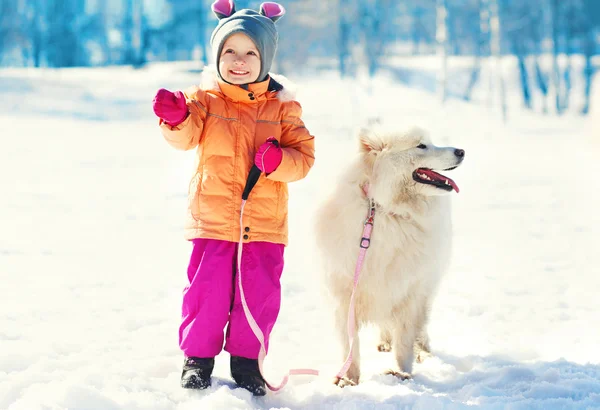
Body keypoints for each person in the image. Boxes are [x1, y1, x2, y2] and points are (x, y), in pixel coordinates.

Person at [151, 0, 315, 396]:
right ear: (217, 55)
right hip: (214, 218)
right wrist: (174, 118)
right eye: (230, 52)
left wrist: (278, 161)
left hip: (264, 224)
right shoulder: (204, 100)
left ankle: (246, 363)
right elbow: (186, 136)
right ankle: (197, 360)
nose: (239, 62)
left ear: (266, 59)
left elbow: (303, 159)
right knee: (206, 293)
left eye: (249, 53)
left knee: (258, 296)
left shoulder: (284, 107)